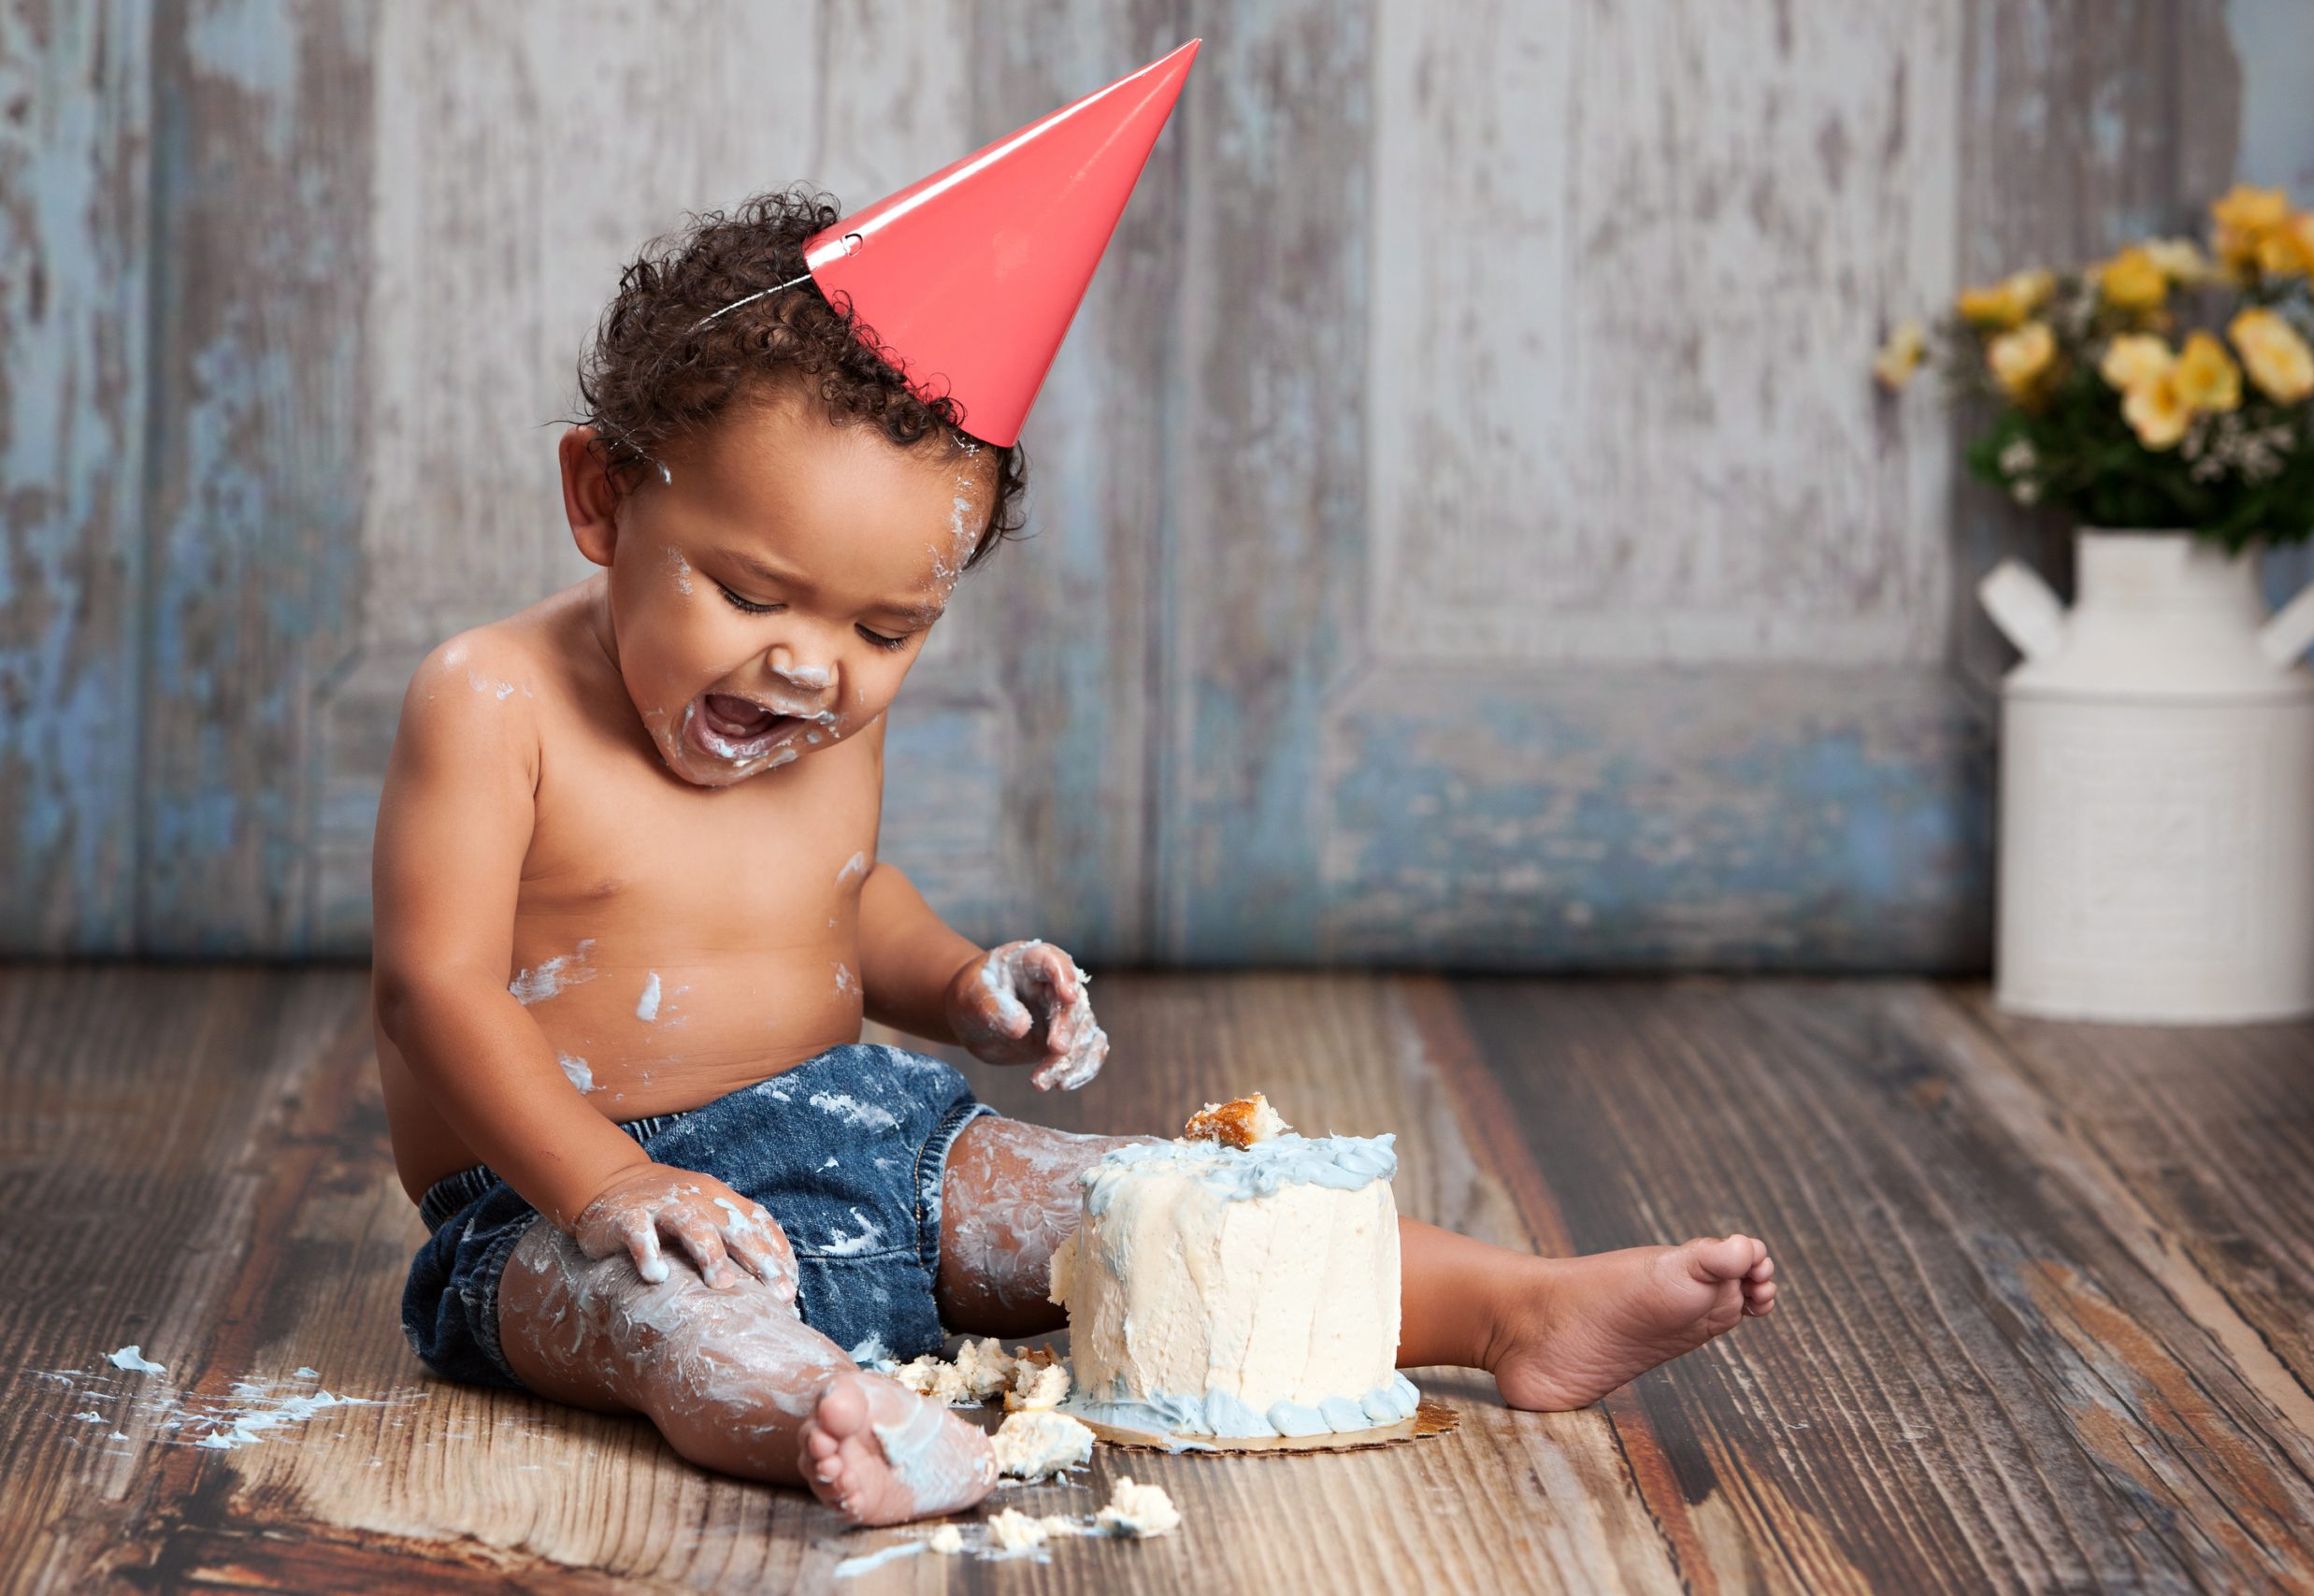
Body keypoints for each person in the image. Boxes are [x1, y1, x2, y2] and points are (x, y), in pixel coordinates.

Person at [376, 51, 1776, 1530]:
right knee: (672, 1330)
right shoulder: (492, 701)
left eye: (883, 630)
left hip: (870, 1130)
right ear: (601, 497)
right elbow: (437, 992)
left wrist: (960, 981)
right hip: (559, 1198)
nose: (809, 669)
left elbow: (839, 902)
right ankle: (825, 1414)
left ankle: (1510, 1309)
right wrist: (606, 1188)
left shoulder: (815, 714)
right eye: (745, 591)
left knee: (1149, 1203)